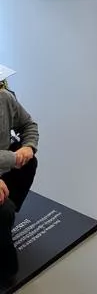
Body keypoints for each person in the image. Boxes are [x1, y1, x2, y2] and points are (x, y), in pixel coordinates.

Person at [0, 87, 39, 283]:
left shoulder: (5, 98)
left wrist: (28, 146)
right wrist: (13, 158)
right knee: (3, 209)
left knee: (29, 163)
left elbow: (28, 124)